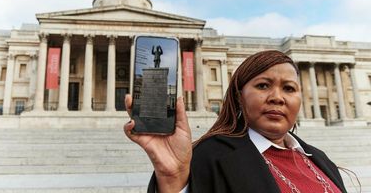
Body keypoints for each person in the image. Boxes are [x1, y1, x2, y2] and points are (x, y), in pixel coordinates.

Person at [124, 50, 347, 193]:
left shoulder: (318, 157)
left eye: (289, 88)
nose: (277, 97)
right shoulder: (209, 156)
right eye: (263, 85)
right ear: (239, 97)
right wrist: (172, 180)